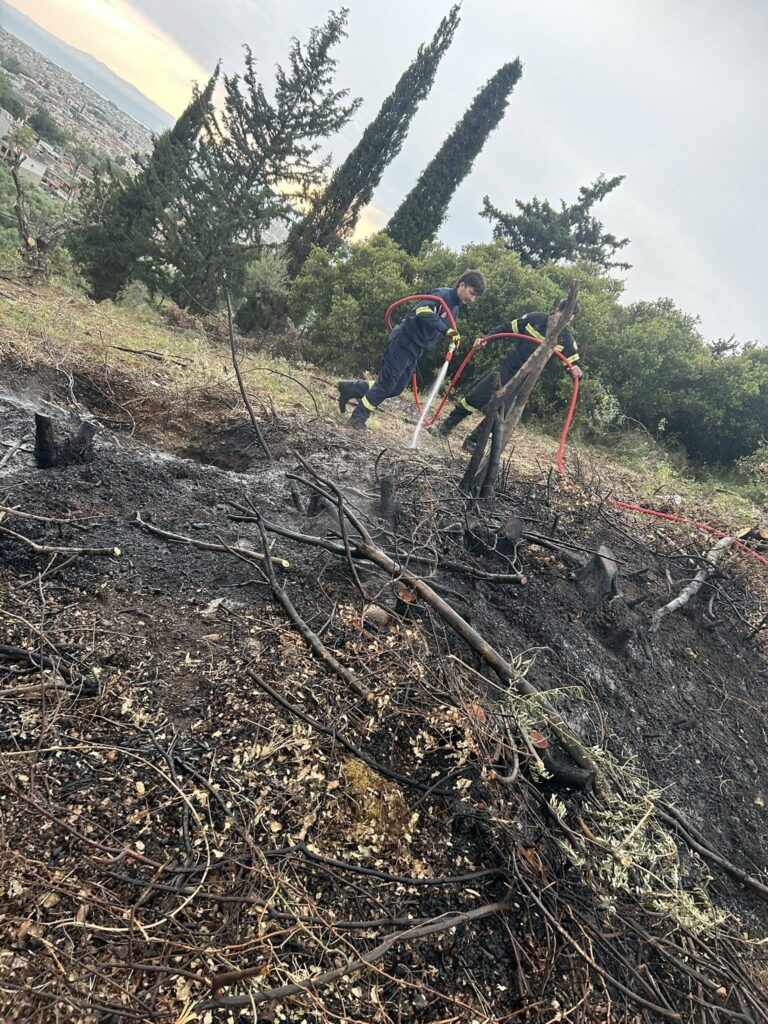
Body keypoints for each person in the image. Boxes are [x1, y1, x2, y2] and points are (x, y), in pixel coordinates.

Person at [337, 269, 486, 430]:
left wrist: (451, 338)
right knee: (387, 384)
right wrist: (445, 330)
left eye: (475, 296)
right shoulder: (441, 295)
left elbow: (442, 327)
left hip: (415, 349)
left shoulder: (455, 308)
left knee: (397, 387)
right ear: (462, 285)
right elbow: (421, 310)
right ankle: (358, 417)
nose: (472, 298)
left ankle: (351, 388)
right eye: (472, 293)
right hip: (404, 341)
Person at [436, 298, 583, 450]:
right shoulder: (535, 319)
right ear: (557, 310)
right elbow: (507, 328)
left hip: (525, 380)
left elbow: (574, 364)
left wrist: (577, 371)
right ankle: (445, 427)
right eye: (563, 317)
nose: (564, 323)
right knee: (476, 396)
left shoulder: (566, 339)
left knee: (501, 413)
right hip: (508, 367)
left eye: (568, 321)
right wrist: (486, 339)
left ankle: (472, 442)